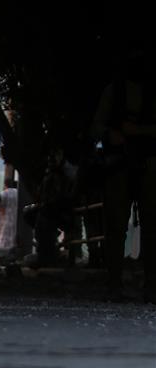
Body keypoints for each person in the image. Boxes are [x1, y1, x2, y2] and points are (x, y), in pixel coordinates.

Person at [91, 49, 156, 302]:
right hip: (120, 164)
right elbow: (96, 128)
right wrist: (111, 135)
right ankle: (115, 284)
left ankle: (149, 285)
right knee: (116, 226)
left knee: (150, 228)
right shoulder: (114, 91)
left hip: (148, 163)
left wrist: (138, 131)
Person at [0, 178, 19, 262]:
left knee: (4, 238)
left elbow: (1, 207)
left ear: (5, 184)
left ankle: (4, 256)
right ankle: (13, 254)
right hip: (16, 218)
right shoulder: (18, 193)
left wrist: (1, 220)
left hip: (6, 218)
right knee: (13, 236)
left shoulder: (3, 193)